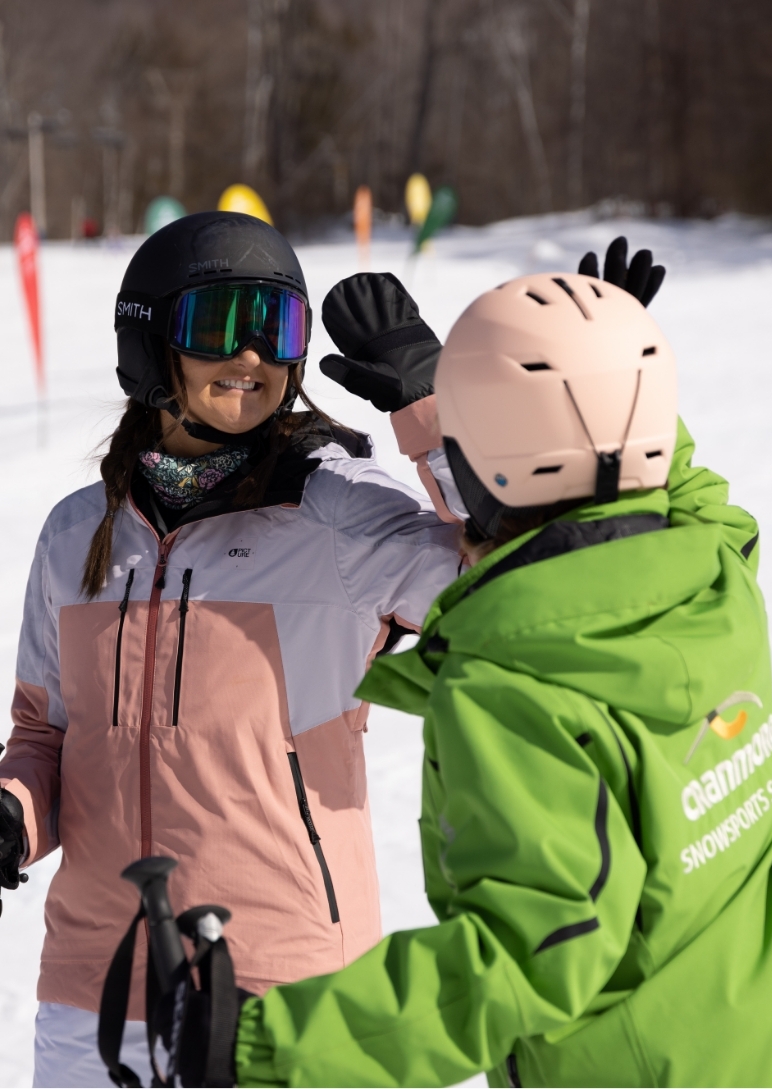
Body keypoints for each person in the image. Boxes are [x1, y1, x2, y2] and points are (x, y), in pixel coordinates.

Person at [212, 268, 772, 1087]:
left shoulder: (514, 684)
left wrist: (260, 1047)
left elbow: (529, 953)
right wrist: (592, 379)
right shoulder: (717, 574)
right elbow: (680, 486)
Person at [0, 211, 467, 1088]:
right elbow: (45, 738)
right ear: (151, 342)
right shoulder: (77, 534)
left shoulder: (337, 513)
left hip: (283, 988)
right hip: (93, 998)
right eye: (219, 324)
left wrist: (431, 406)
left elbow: (507, 570)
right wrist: (10, 814)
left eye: (276, 327)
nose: (251, 355)